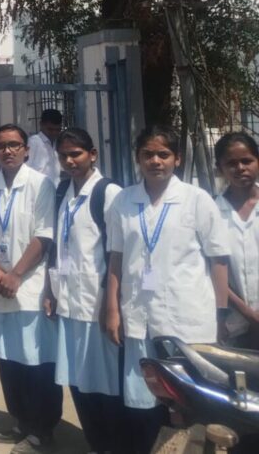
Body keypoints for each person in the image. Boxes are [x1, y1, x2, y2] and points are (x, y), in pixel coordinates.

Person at [105, 125, 230, 454]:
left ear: (177, 158)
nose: (155, 161)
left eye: (163, 154)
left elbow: (218, 259)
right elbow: (116, 258)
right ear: (138, 158)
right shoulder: (123, 201)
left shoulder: (196, 200)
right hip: (139, 316)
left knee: (188, 402)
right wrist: (112, 308)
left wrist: (220, 314)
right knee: (144, 399)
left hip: (186, 317)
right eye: (148, 154)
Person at [0, 124, 61, 454]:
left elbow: (44, 235)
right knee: (8, 361)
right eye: (1, 145)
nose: (7, 151)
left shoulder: (41, 184)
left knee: (36, 362)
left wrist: (16, 274)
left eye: (14, 145)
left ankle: (42, 429)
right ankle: (21, 422)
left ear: (26, 150)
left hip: (29, 287)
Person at [45, 128, 123, 454]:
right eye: (63, 155)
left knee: (106, 383)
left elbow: (117, 252)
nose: (69, 161)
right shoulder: (63, 191)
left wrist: (111, 304)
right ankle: (95, 443)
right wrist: (50, 290)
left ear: (93, 154)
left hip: (97, 305)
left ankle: (112, 444)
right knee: (77, 379)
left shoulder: (108, 193)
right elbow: (57, 247)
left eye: (76, 154)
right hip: (68, 303)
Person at [213, 131, 259, 349]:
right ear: (219, 168)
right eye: (231, 163)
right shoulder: (212, 211)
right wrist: (248, 313)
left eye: (247, 161)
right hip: (233, 326)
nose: (240, 168)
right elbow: (212, 269)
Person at [26, 110, 63, 186]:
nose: (54, 133)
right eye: (50, 129)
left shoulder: (57, 143)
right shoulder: (33, 142)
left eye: (57, 130)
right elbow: (26, 169)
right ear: (41, 125)